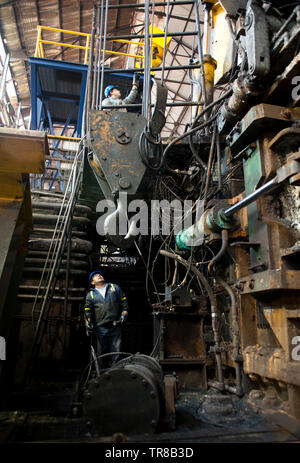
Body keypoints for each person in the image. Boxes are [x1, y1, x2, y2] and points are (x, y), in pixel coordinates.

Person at [84, 270, 129, 369]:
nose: (99, 275)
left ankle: (115, 373)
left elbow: (124, 305)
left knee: (116, 352)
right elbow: (87, 313)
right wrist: (88, 324)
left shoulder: (114, 288)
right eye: (95, 276)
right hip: (100, 328)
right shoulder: (91, 295)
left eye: (100, 274)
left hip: (115, 326)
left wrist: (123, 315)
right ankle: (102, 375)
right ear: (92, 282)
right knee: (101, 354)